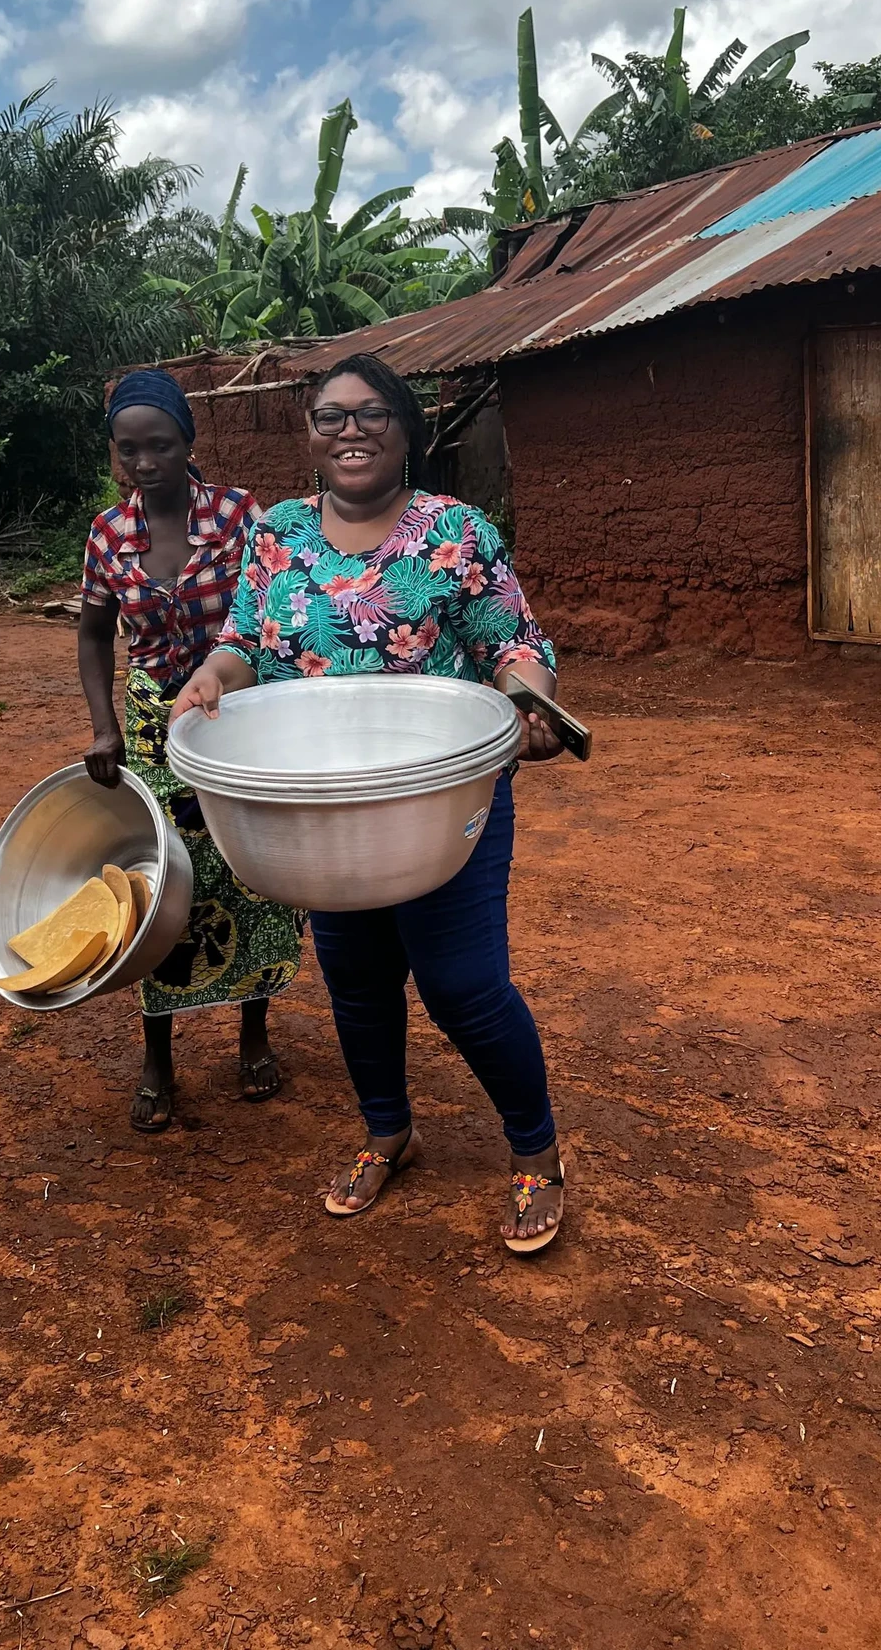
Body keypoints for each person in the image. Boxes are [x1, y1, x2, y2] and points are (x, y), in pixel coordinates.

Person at [171, 353, 568, 1253]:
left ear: (406, 428)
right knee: (355, 983)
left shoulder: (454, 531)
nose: (349, 431)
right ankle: (388, 1132)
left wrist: (531, 703)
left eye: (371, 413)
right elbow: (244, 641)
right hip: (324, 806)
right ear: (310, 435)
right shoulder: (278, 534)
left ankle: (536, 1150)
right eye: (330, 416)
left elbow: (514, 645)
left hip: (440, 801)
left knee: (464, 987)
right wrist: (212, 676)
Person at [78, 367, 304, 1132]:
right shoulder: (108, 535)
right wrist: (103, 727)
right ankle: (158, 1057)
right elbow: (92, 636)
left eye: (161, 446)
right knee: (161, 886)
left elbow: (279, 608)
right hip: (151, 728)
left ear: (188, 441)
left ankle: (253, 1032)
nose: (145, 463)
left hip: (238, 718)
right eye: (129, 450)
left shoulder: (240, 516)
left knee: (252, 875)